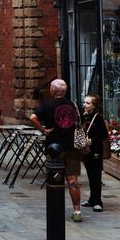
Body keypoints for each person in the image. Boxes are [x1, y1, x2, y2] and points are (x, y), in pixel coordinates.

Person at [30, 78, 83, 222]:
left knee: (54, 178)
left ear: (53, 90)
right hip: (71, 146)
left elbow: (33, 117)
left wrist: (43, 130)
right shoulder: (73, 104)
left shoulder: (47, 105)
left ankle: (55, 210)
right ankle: (77, 211)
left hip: (54, 148)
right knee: (72, 179)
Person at [81, 94, 109, 212]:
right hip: (86, 151)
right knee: (90, 175)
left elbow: (104, 134)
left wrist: (92, 140)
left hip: (96, 151)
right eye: (84, 102)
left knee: (96, 176)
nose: (84, 105)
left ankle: (98, 202)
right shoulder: (84, 117)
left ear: (94, 106)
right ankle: (92, 199)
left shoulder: (98, 118)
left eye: (88, 103)